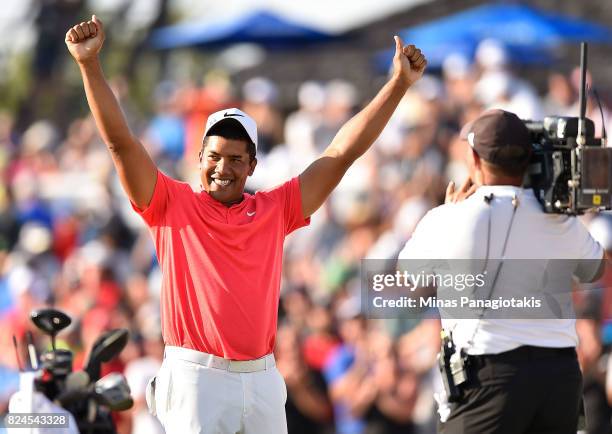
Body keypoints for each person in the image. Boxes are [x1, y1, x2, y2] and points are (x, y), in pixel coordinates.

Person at [64, 15, 427, 434]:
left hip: (262, 378)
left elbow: (342, 152)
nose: (222, 167)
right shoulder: (169, 203)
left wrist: (398, 85)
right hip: (195, 376)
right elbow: (120, 142)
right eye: (214, 156)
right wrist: (89, 65)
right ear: (199, 157)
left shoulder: (276, 208)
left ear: (252, 165)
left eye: (236, 159)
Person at [398, 109, 606, 434]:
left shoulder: (450, 218)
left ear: (474, 159)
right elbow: (595, 269)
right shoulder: (561, 220)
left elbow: (407, 275)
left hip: (491, 377)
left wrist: (448, 211)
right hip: (560, 377)